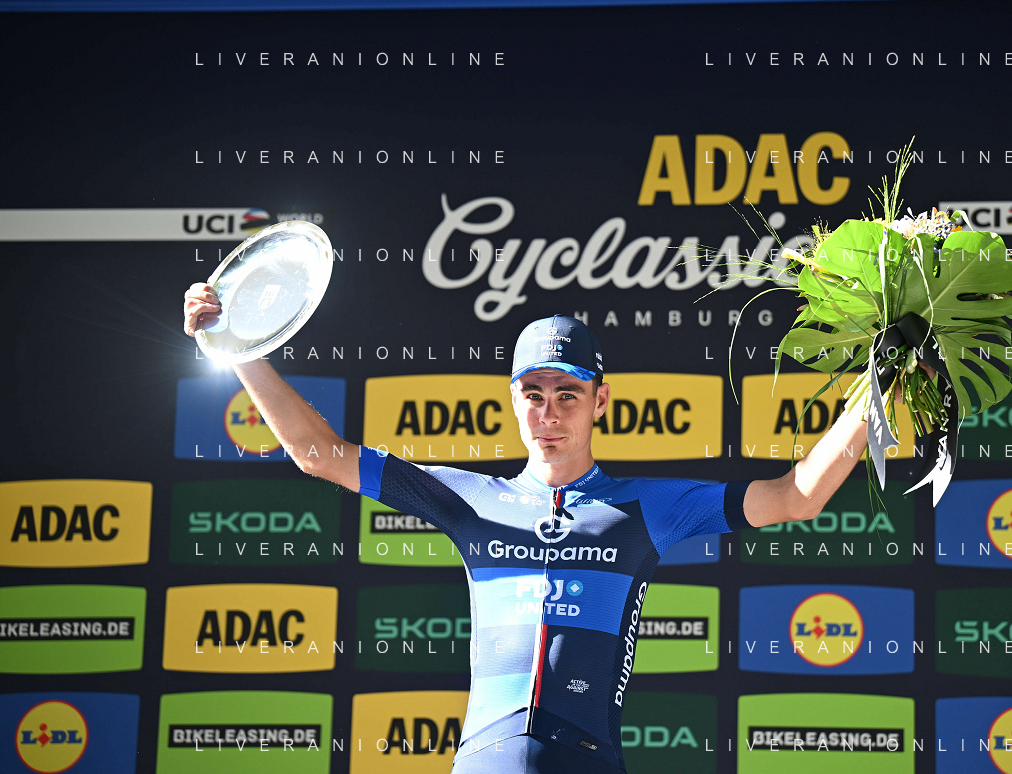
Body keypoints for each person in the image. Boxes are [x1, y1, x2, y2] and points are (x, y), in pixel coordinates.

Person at [183, 283, 905, 773]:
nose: (549, 413)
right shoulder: (469, 498)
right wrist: (236, 345)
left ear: (601, 401)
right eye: (533, 395)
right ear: (513, 401)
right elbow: (317, 455)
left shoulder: (647, 505)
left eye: (567, 394)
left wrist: (882, 382)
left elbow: (793, 497)